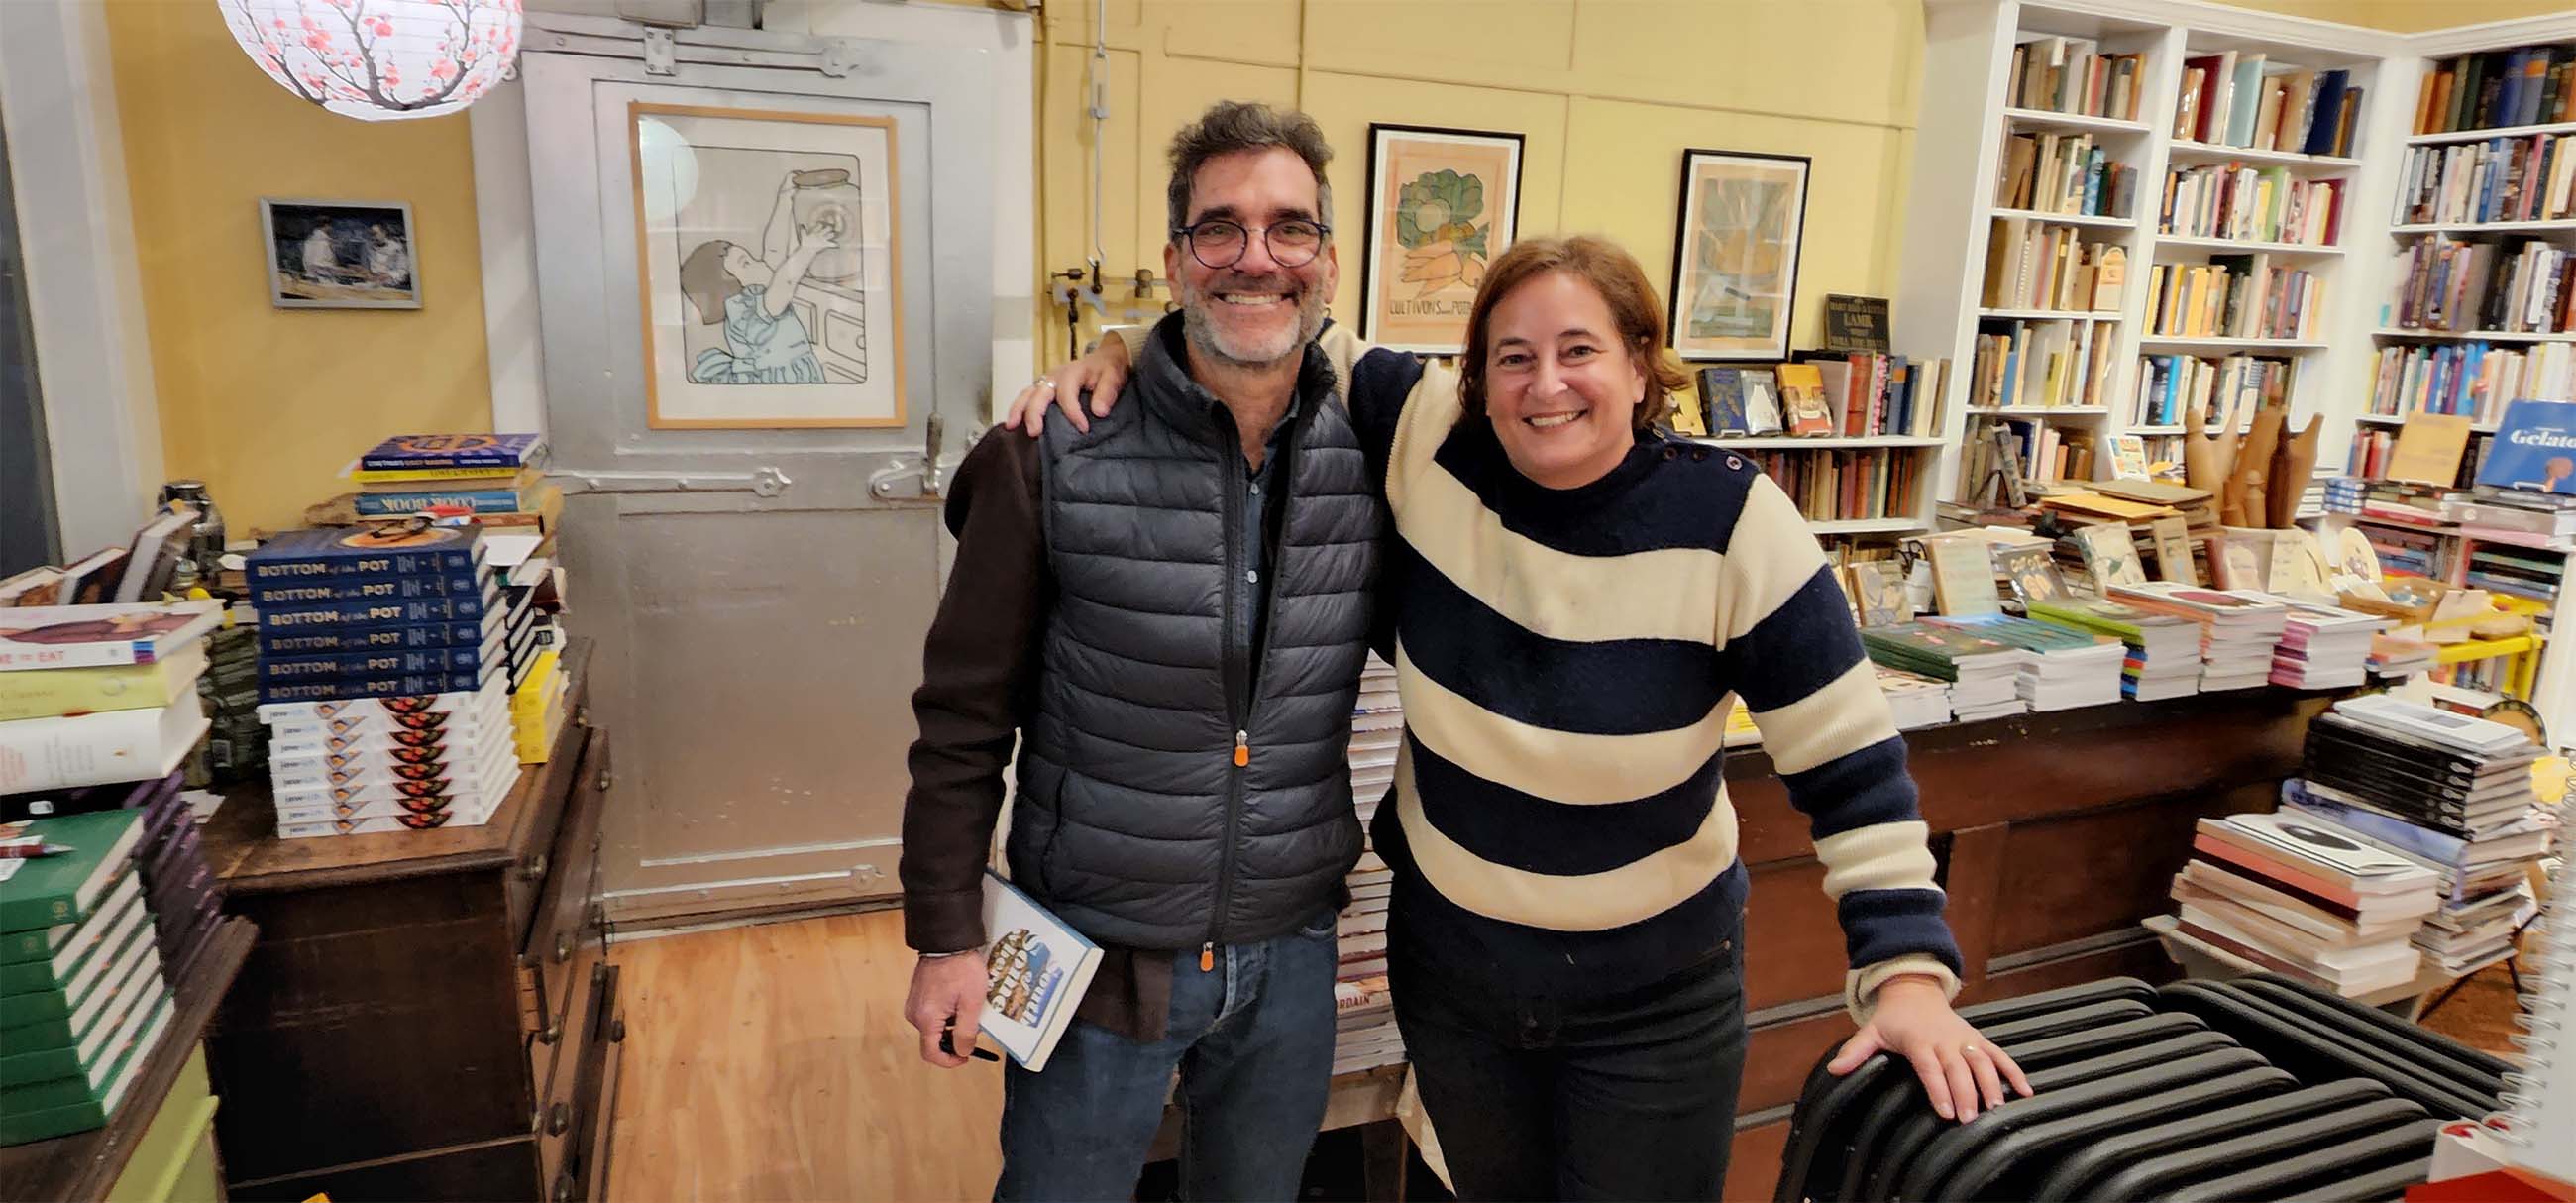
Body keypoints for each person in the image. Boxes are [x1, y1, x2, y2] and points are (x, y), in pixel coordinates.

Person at [1010, 235, 2031, 1200]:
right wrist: (1118, 348)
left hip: (1653, 999)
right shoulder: (1430, 444)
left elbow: (1849, 758)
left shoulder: (1730, 522)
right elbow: (1265, 320)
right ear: (1476, 378)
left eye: (1578, 349)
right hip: (1457, 984)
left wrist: (1903, 974)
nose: (1544, 385)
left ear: (1640, 364)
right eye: (1512, 357)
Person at [898, 101, 1382, 1202]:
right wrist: (942, 934)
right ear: (1173, 262)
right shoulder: (1051, 456)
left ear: (1327, 261)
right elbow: (962, 721)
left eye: (1288, 228)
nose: (1256, 257)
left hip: (1288, 951)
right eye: (1219, 229)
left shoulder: (1376, 447)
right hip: (1094, 956)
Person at [677, 219, 835, 384]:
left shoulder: (752, 296)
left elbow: (774, 250)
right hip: (782, 377)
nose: (759, 262)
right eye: (746, 262)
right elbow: (785, 283)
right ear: (727, 286)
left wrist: (785, 200)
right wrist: (807, 250)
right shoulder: (745, 313)